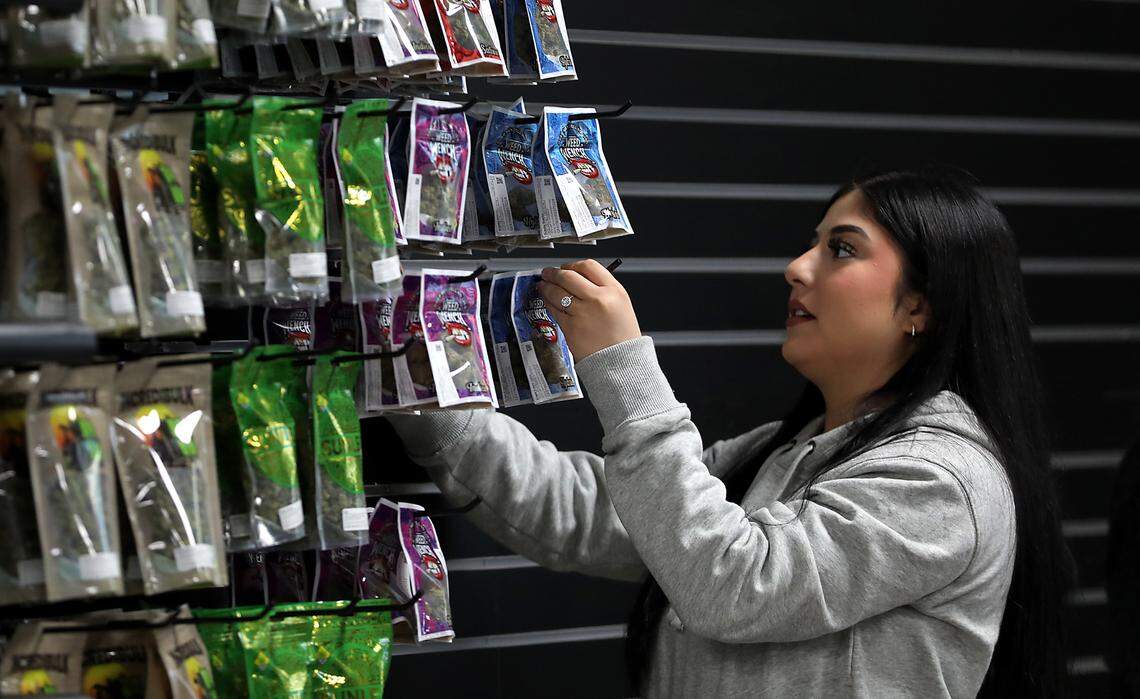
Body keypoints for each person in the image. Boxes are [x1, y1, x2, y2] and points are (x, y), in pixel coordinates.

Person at [386, 167, 1074, 697]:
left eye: (840, 249)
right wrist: (423, 388)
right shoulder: (788, 450)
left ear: (920, 305)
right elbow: (594, 512)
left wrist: (622, 366)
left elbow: (736, 580)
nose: (797, 268)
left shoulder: (940, 479)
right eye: (812, 243)